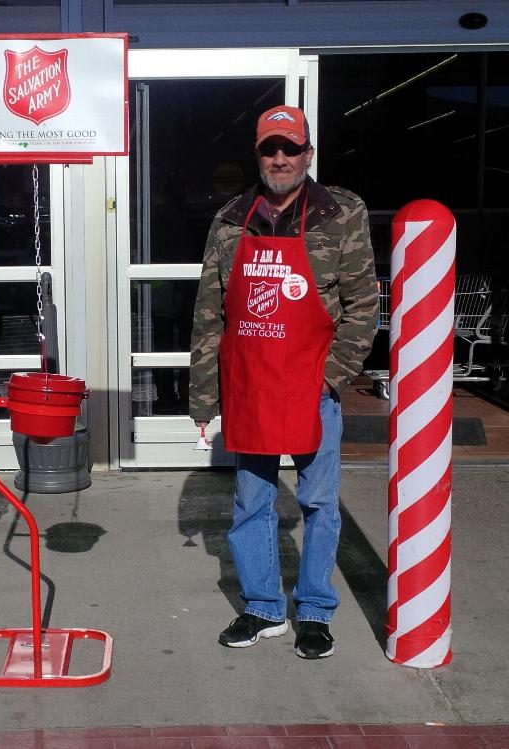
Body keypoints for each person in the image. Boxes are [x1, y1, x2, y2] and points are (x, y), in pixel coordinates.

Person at [189, 105, 378, 660]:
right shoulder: (230, 220)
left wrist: (329, 379)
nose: (279, 158)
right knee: (251, 501)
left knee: (319, 500)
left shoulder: (341, 213)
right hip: (251, 387)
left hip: (312, 389)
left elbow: (363, 305)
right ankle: (264, 607)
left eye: (290, 148)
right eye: (270, 148)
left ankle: (315, 610)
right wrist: (203, 397)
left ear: (307, 154)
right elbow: (209, 314)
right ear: (258, 154)